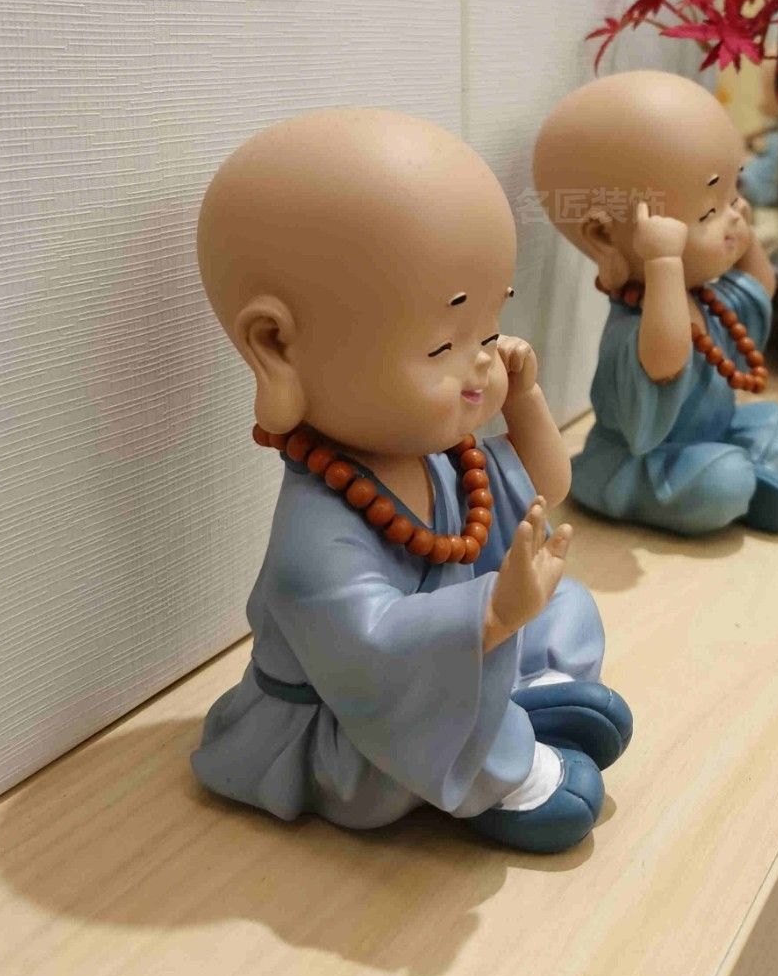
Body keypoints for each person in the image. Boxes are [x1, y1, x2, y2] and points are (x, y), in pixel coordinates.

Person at [192, 108, 630, 854]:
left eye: (488, 330)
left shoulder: (441, 453)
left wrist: (524, 400)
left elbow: (548, 487)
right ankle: (499, 763)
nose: (482, 363)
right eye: (442, 345)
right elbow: (376, 660)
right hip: (350, 724)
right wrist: (493, 613)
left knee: (568, 605)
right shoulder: (316, 533)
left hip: (445, 663)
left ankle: (511, 702)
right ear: (277, 350)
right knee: (419, 733)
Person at [533, 71, 778, 537]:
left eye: (734, 195)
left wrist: (746, 234)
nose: (731, 218)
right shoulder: (640, 326)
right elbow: (666, 359)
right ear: (605, 237)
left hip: (711, 436)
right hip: (644, 463)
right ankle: (741, 484)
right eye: (708, 211)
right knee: (724, 480)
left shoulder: (709, 299)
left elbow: (760, 290)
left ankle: (746, 482)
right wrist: (661, 263)